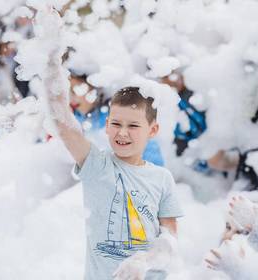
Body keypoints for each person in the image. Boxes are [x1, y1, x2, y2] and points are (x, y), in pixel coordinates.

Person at [48, 65, 183, 280]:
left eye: (133, 126)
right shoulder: (96, 165)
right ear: (107, 126)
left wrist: (143, 261)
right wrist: (51, 63)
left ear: (153, 130)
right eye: (116, 123)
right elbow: (64, 125)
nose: (122, 132)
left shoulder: (162, 178)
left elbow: (170, 241)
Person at [69, 73, 165, 166]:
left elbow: (154, 168)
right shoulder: (74, 122)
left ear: (94, 85)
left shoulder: (124, 114)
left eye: (76, 89)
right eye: (67, 90)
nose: (70, 97)